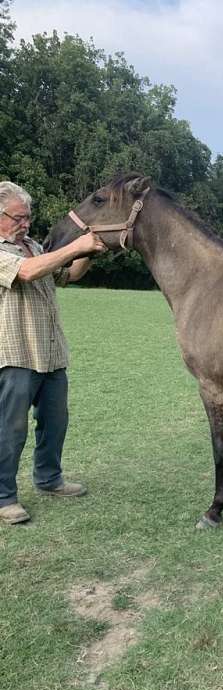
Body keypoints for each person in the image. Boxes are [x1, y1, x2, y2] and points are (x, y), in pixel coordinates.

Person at [0, 180, 107, 525]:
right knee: (10, 429)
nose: (25, 224)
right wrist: (76, 243)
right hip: (15, 353)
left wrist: (89, 252)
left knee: (55, 422)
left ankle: (49, 479)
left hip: (50, 353)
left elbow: (68, 275)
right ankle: (4, 497)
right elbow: (28, 273)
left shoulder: (33, 246)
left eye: (27, 217)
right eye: (17, 217)